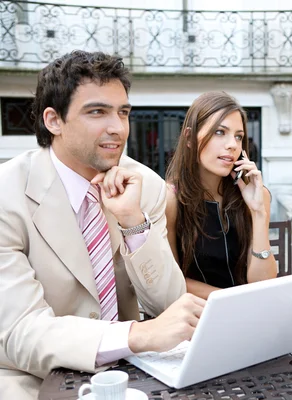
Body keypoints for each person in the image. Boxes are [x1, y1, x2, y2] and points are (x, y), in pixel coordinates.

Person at [0, 51, 206, 400]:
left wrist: (133, 223)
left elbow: (169, 304)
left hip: (134, 376)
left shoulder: (145, 184)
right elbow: (19, 332)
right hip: (32, 379)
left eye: (123, 112)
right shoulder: (7, 194)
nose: (118, 128)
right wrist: (135, 335)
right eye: (97, 112)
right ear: (53, 120)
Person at [165, 92, 277, 300]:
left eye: (238, 136)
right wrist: (232, 300)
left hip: (250, 311)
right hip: (197, 317)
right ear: (189, 138)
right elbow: (170, 280)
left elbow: (264, 285)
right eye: (219, 132)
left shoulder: (257, 196)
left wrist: (258, 212)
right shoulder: (170, 199)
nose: (233, 145)